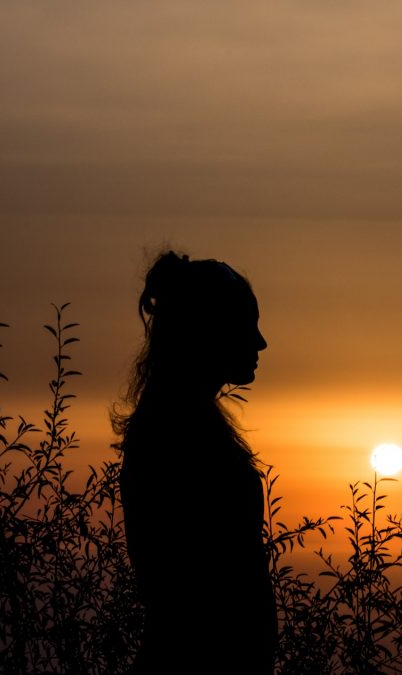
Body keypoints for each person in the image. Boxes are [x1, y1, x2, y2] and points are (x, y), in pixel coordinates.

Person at [113, 251, 276, 673]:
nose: (260, 343)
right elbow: (189, 583)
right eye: (247, 326)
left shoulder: (178, 424)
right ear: (210, 330)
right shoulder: (176, 434)